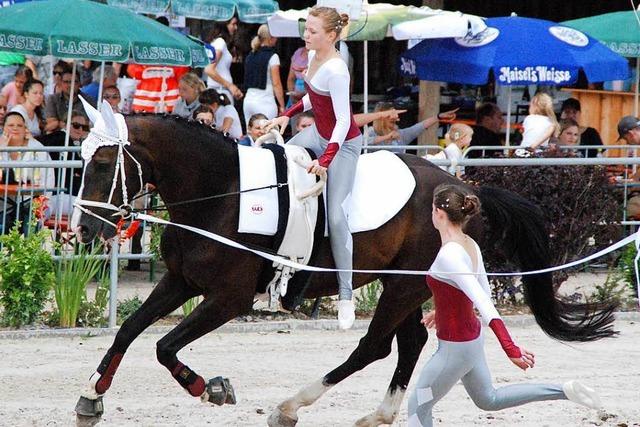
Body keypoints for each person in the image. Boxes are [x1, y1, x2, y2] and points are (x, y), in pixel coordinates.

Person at [407, 183, 602, 426]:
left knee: (417, 408)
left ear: (439, 214)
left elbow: (484, 303)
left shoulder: (449, 255)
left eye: (432, 210)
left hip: (454, 349)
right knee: (489, 399)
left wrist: (511, 349)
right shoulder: (469, 244)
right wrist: (444, 308)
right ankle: (564, 390)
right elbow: (478, 292)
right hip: (471, 341)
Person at [266, 6, 364, 329]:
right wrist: (287, 114)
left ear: (332, 36)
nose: (305, 36)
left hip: (343, 143)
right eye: (305, 30)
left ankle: (346, 296)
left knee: (336, 216)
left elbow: (344, 121)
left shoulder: (338, 69)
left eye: (312, 32)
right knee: (279, 164)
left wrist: (325, 160)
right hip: (317, 133)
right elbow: (311, 99)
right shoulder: (311, 57)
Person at [362, 101, 457, 153]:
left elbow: (419, 127)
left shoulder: (400, 134)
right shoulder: (371, 132)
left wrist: (438, 117)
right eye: (390, 117)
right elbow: (364, 143)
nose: (395, 119)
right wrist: (387, 137)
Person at [242, 25, 285, 127]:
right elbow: (276, 83)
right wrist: (282, 105)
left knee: (252, 137)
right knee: (268, 137)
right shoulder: (273, 56)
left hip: (248, 101)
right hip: (265, 101)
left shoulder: (251, 55)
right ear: (270, 39)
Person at [0, 111, 55, 189]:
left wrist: (40, 200)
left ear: (25, 128)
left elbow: (48, 179)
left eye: (19, 125)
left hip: (31, 198)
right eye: (11, 125)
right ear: (3, 128)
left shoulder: (37, 147)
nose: (15, 128)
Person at [204, 18, 243, 105]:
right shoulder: (220, 43)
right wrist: (230, 86)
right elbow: (209, 69)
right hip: (220, 92)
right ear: (225, 24)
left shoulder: (215, 42)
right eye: (233, 24)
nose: (235, 27)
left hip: (218, 90)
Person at [286, 45, 309, 132]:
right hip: (295, 99)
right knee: (295, 126)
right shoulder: (298, 52)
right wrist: (292, 93)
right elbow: (290, 78)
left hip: (311, 98)